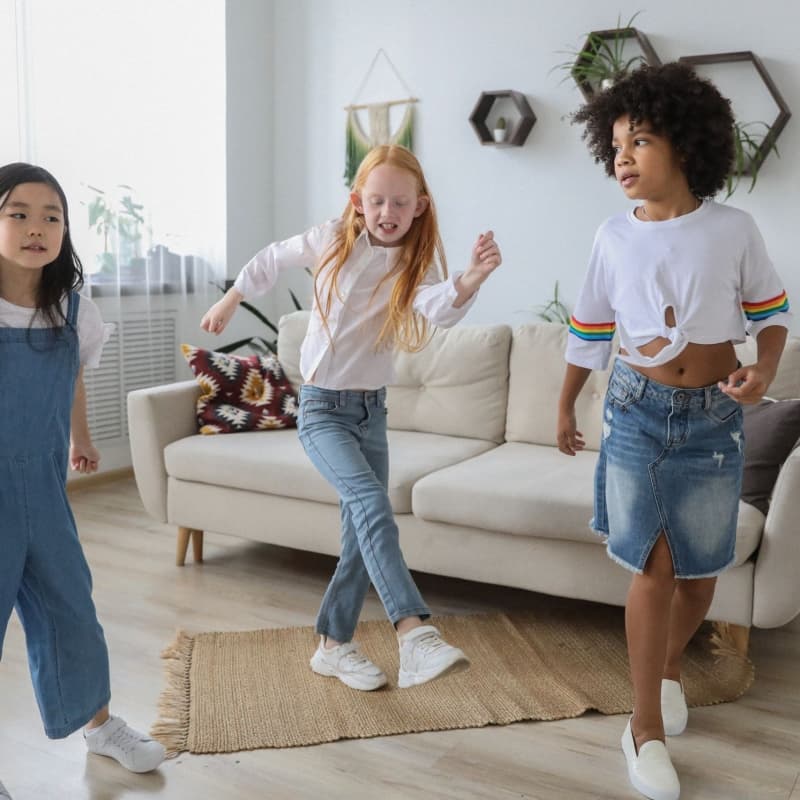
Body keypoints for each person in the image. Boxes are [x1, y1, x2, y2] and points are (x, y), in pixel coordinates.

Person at [557, 64, 790, 800]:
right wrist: (564, 405)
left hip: (714, 419)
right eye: (616, 144)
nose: (622, 157)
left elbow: (771, 315)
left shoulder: (734, 230)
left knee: (700, 576)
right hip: (634, 412)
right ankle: (644, 728)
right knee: (652, 568)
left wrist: (763, 369)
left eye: (642, 141)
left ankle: (664, 667)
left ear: (686, 147)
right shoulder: (611, 236)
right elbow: (589, 331)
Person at [202, 144, 501, 691]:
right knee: (371, 505)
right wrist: (231, 299)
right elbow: (272, 257)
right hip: (321, 410)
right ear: (358, 201)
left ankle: (333, 646)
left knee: (361, 535)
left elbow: (439, 310)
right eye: (378, 200)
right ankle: (414, 635)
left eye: (400, 203)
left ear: (419, 206)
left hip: (372, 412)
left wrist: (471, 278)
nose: (388, 212)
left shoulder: (418, 261)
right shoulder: (331, 240)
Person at [0, 163, 166, 798]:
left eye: (52, 216)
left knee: (71, 605)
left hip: (43, 487)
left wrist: (83, 438)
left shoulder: (75, 310)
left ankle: (99, 725)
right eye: (19, 213)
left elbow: (71, 377)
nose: (37, 227)